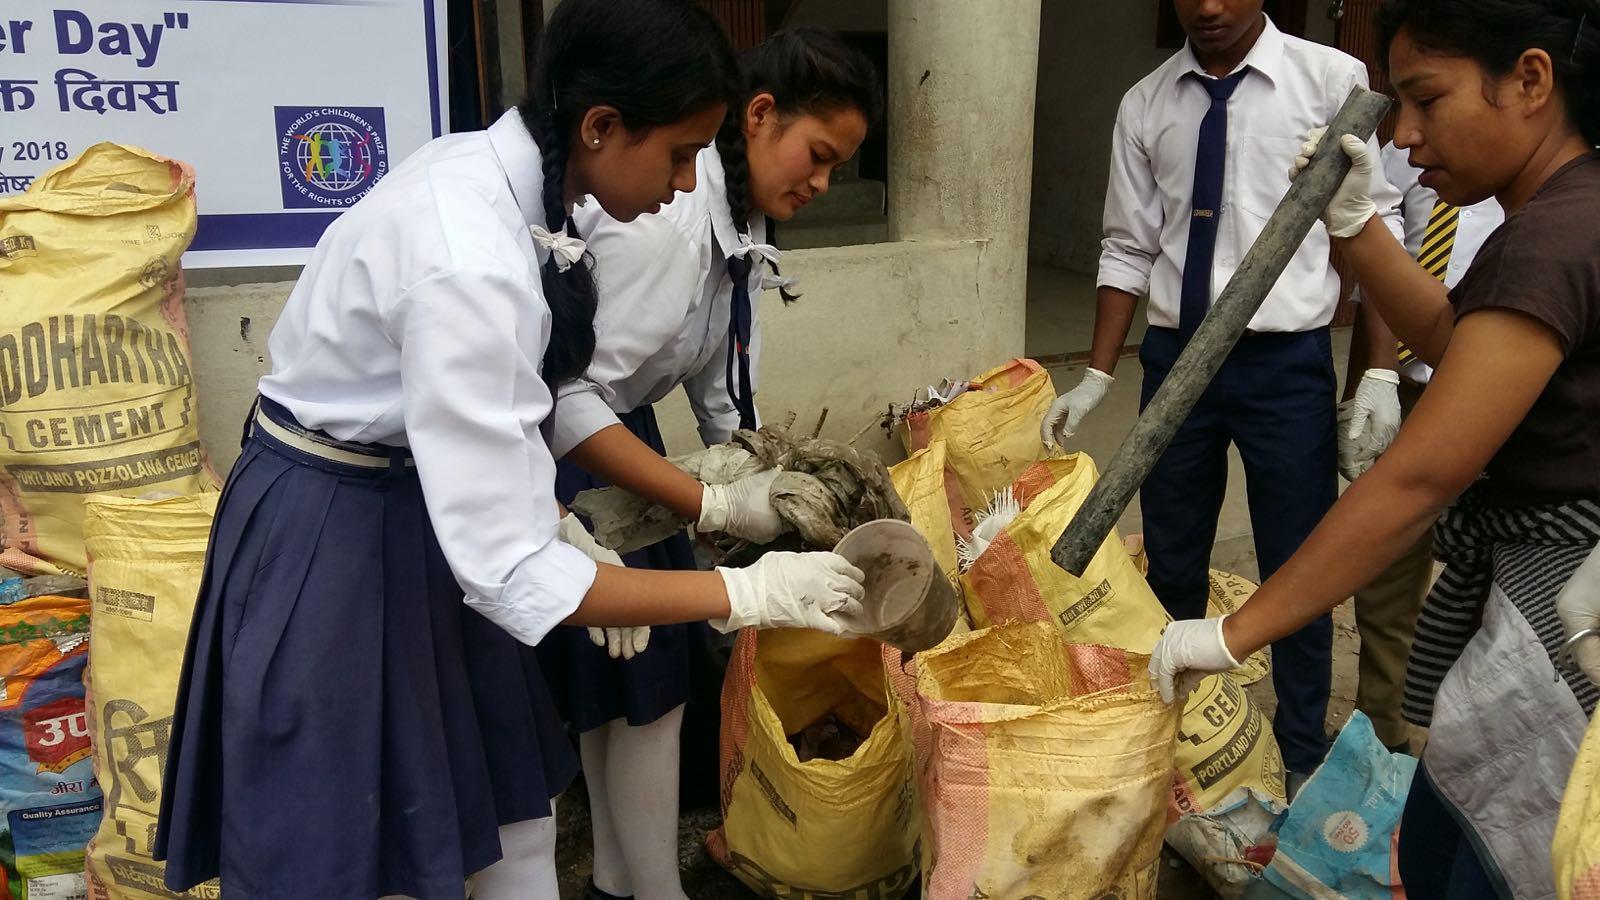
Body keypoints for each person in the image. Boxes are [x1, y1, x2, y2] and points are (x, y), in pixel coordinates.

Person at [153, 2, 868, 898]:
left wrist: (558, 514)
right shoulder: (472, 258)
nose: (690, 185)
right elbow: (509, 568)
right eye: (680, 154)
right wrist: (747, 588)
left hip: (412, 494)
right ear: (600, 127)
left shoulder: (515, 189)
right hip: (333, 528)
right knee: (346, 845)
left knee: (512, 817)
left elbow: (511, 408)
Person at [1151, 0, 1600, 894]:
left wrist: (1232, 635)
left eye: (1428, 100)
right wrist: (1356, 226)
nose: (1407, 135)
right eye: (1400, 106)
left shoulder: (1547, 244)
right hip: (1550, 598)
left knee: (1500, 860)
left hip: (1560, 627)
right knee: (1442, 837)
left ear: (1532, 80)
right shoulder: (1565, 212)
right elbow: (1456, 340)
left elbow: (1417, 482)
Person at [538, 27, 880, 900]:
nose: (822, 181)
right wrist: (715, 509)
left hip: (624, 432)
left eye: (839, 167)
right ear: (759, 117)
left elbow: (725, 397)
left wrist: (776, 480)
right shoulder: (673, 219)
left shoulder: (743, 231)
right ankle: (644, 886)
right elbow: (564, 398)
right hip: (560, 446)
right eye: (818, 154)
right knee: (628, 680)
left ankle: (629, 881)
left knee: (643, 682)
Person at [1040, 0, 1402, 790]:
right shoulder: (1145, 103)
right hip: (1175, 363)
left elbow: (1376, 224)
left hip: (1284, 363)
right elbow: (1128, 244)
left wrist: (1375, 371)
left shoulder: (1333, 80)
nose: (1207, 6)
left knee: (1298, 562)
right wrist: (1099, 372)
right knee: (1171, 557)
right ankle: (1183, 743)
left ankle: (1300, 748)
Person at [1340, 140, 1504, 754]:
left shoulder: (1565, 173)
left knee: (1491, 589)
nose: (1408, 124)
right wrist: (1368, 384)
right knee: (1384, 576)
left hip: (1499, 397)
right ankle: (1384, 744)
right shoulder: (1412, 146)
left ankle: (1467, 749)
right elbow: (1381, 273)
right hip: (1406, 393)